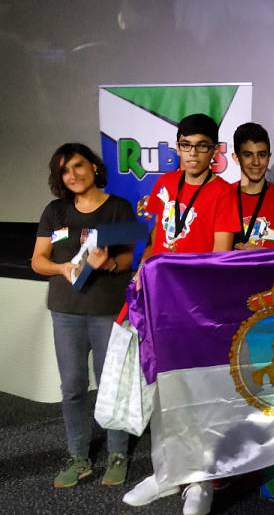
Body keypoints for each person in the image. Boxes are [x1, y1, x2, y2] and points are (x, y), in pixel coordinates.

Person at [123, 114, 240, 515]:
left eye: (202, 146)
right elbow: (157, 239)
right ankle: (166, 473)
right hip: (161, 302)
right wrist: (143, 269)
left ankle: (200, 482)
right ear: (177, 146)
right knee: (163, 391)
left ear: (214, 151)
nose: (193, 153)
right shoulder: (164, 184)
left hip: (197, 306)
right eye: (186, 145)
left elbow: (221, 257)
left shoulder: (224, 193)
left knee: (199, 393)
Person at [31, 143, 135, 488]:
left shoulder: (118, 208)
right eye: (64, 170)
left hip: (107, 311)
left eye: (78, 166)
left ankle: (118, 453)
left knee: (111, 385)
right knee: (73, 388)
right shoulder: (55, 211)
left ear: (93, 167)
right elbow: (38, 260)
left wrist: (109, 264)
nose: (72, 175)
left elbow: (132, 259)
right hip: (66, 312)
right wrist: (63, 268)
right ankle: (79, 457)